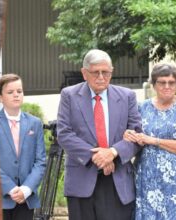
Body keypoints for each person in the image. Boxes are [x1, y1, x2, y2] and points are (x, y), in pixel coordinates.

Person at [57, 49, 141, 220]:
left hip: (117, 180)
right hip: (82, 179)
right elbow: (64, 134)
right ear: (84, 73)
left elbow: (137, 135)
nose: (101, 77)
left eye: (106, 72)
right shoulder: (69, 96)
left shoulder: (127, 97)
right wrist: (100, 157)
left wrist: (112, 153)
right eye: (96, 72)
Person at [124, 63, 176, 219]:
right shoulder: (141, 107)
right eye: (162, 82)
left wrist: (152, 140)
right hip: (149, 178)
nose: (167, 86)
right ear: (154, 84)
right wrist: (129, 135)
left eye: (171, 82)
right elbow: (134, 137)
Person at [0, 73, 46, 220]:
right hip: (0, 198)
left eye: (19, 91)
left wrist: (26, 189)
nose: (16, 95)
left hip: (26, 199)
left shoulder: (35, 123)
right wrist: (11, 188)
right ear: (0, 97)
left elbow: (40, 161)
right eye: (10, 92)